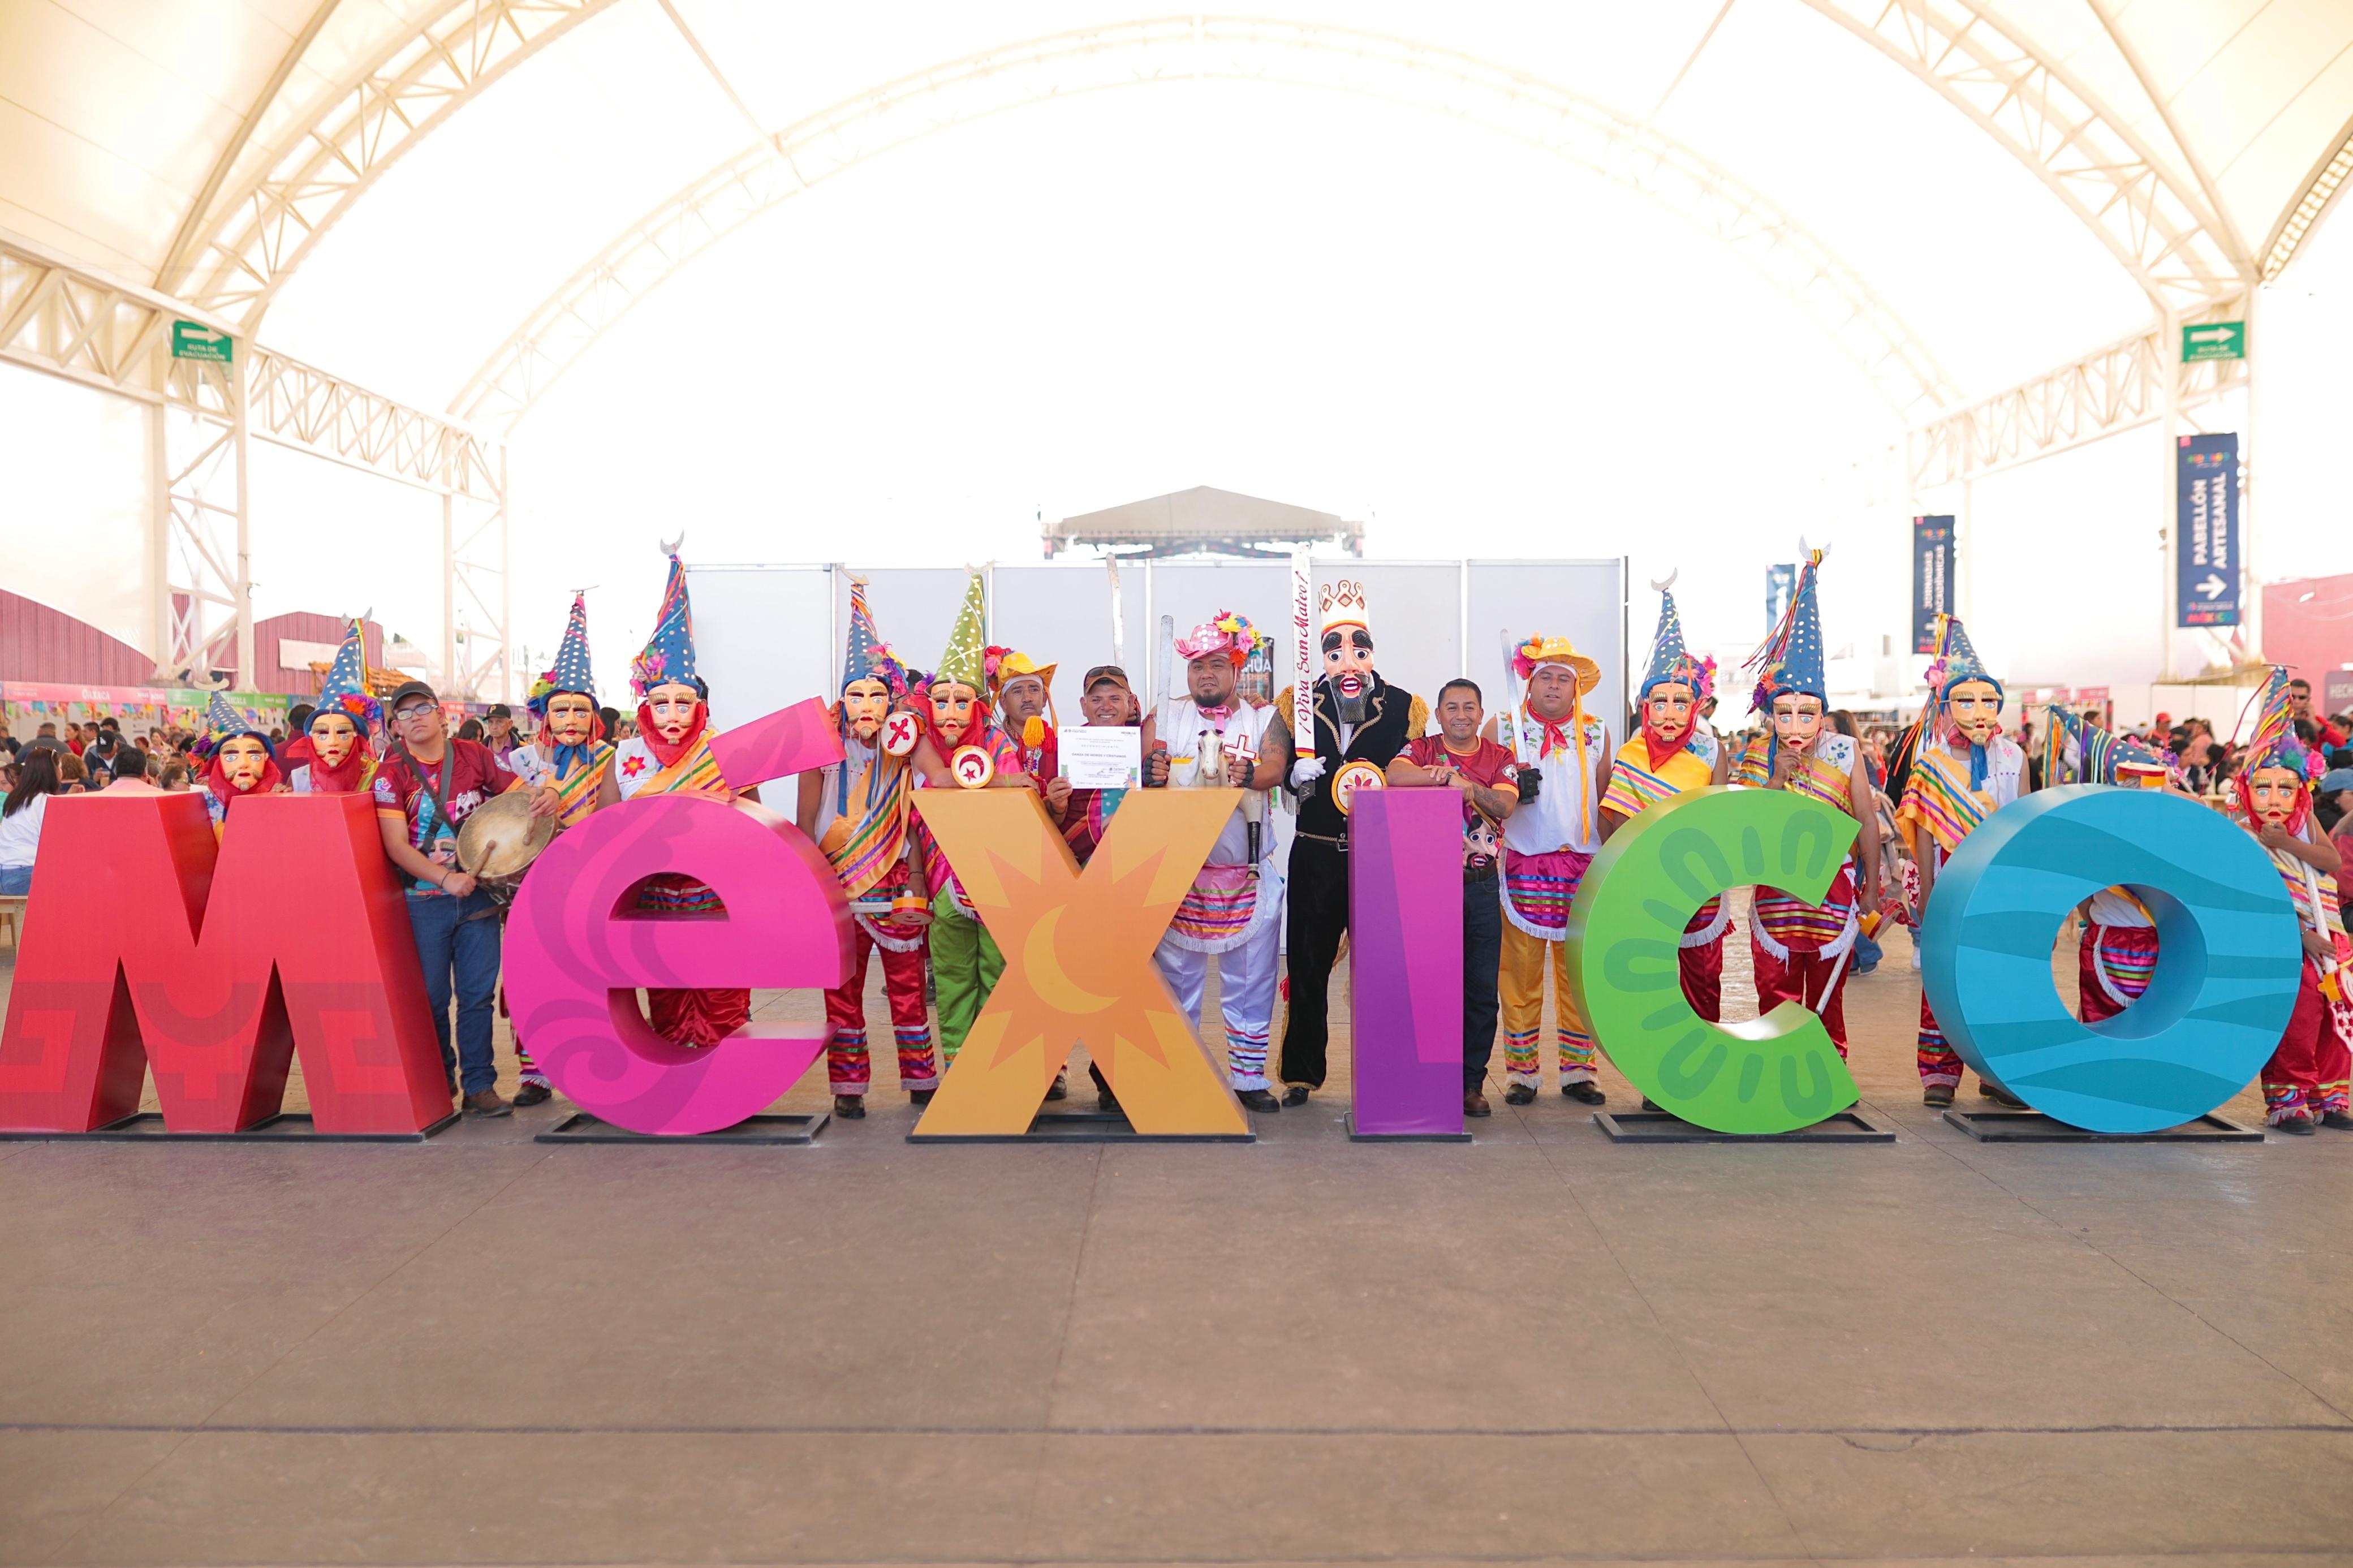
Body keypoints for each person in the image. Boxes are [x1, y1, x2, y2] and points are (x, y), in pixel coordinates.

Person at [593, 548, 755, 1050]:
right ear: (645, 705)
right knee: (665, 999)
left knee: (723, 998)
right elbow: (605, 830)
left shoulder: (727, 751)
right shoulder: (625, 756)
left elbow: (754, 824)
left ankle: (726, 1083)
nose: (672, 714)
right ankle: (675, 1080)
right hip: (652, 898)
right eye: (660, 703)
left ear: (700, 706)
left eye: (683, 703)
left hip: (717, 897)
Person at [1275, 579, 1428, 1107]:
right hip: (1315, 851)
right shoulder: (1297, 704)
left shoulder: (1405, 707)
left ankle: (1390, 1073)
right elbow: (1277, 770)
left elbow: (1413, 776)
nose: (1348, 662)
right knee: (1307, 966)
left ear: (1372, 652)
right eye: (1335, 650)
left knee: (1386, 969)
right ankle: (1301, 1075)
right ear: (1322, 656)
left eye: (1359, 650)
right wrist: (1293, 778)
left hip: (1380, 857)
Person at [375, 679, 553, 1116]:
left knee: (476, 997)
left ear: (441, 714)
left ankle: (479, 1086)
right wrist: (444, 879)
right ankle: (440, 1079)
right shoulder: (390, 774)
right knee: (433, 999)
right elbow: (395, 846)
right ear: (396, 727)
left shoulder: (474, 755)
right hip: (423, 902)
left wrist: (546, 794)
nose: (415, 718)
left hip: (478, 899)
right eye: (404, 713)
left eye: (423, 708)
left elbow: (518, 793)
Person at [796, 580, 938, 1119]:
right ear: (842, 698)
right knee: (842, 991)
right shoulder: (821, 748)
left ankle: (920, 1079)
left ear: (891, 699)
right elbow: (806, 821)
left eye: (877, 695)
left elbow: (918, 814)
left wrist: (918, 874)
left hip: (895, 880)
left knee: (908, 989)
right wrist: (808, 881)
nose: (867, 705)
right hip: (837, 881)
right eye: (857, 695)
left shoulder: (904, 746)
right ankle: (848, 1087)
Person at [1733, 553, 1882, 1063]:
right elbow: (1745, 827)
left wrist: (1871, 887)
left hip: (1833, 891)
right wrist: (1776, 778)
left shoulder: (1845, 751)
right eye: (1785, 712)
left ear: (1822, 710)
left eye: (1807, 712)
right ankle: (1778, 1073)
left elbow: (1864, 821)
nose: (1796, 722)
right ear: (1770, 713)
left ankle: (1827, 1076)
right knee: (1774, 992)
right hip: (1776, 889)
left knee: (1827, 994)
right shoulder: (1756, 755)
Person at [1142, 611, 1291, 1112]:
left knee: (1251, 982)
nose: (1206, 675)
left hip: (1246, 874)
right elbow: (1137, 773)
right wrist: (1150, 769)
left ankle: (1248, 1078)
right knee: (1176, 983)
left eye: (1217, 665)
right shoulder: (1165, 716)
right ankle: (1180, 1074)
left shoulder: (1264, 718)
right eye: (1197, 666)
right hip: (1179, 875)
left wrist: (1250, 773)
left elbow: (1275, 768)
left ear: (1236, 668)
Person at [1894, 613, 2027, 1108]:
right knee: (1944, 977)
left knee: (1997, 977)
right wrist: (1929, 894)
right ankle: (1940, 1074)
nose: (1978, 710)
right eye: (1965, 701)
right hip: (1951, 881)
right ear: (1946, 705)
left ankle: (1995, 1073)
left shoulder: (2014, 757)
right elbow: (1925, 835)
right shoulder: (1931, 762)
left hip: (1999, 882)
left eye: (1988, 700)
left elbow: (2023, 823)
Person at [907, 571, 1032, 1072]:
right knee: (953, 977)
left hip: (992, 876)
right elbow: (941, 784)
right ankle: (962, 1070)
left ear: (978, 706)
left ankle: (997, 1068)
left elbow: (1017, 802)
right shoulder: (920, 746)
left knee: (999, 974)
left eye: (962, 702)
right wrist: (1002, 782)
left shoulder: (997, 742)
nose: (951, 713)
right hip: (942, 879)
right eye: (941, 702)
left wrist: (1006, 783)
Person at [1483, 635, 1613, 1104]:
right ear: (1530, 683)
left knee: (1578, 975)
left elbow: (1606, 798)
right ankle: (1522, 1074)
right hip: (1525, 860)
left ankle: (1579, 1072)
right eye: (1546, 678)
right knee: (1519, 976)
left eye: (1563, 679)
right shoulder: (1504, 727)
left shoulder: (1597, 731)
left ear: (1576, 687)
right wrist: (1509, 786)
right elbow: (1483, 792)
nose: (1554, 686)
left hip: (1583, 864)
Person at [2227, 670, 2353, 1133]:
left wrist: (2288, 843)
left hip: (2331, 935)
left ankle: (2330, 1097)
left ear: (2302, 790)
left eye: (2286, 788)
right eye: (2264, 788)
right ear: (2246, 789)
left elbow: (2330, 862)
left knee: (2336, 1020)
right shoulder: (2240, 835)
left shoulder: (2304, 825)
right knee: (2296, 1023)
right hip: (2289, 942)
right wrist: (2301, 935)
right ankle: (2289, 1100)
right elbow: (2250, 901)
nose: (2275, 798)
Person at [1391, 677, 1523, 1117]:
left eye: (1469, 707)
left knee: (1481, 991)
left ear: (1481, 714)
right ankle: (1430, 1078)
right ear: (1439, 714)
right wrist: (1442, 777)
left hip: (1481, 887)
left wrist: (1467, 786)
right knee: (1430, 985)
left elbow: (1505, 805)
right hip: (1429, 888)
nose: (1461, 715)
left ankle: (1471, 1083)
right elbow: (1395, 774)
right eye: (1452, 708)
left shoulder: (1500, 757)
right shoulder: (1423, 749)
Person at [1600, 576, 1729, 1018]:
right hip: (1645, 879)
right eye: (1661, 702)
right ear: (1646, 705)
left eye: (1681, 702)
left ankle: (1705, 1055)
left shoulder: (1711, 751)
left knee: (1703, 979)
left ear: (1696, 705)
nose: (1671, 713)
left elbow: (1719, 817)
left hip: (1699, 878)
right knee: (1649, 977)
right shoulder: (1631, 753)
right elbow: (1619, 825)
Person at [502, 593, 613, 1106]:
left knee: (594, 978)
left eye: (580, 709)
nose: (570, 718)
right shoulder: (526, 761)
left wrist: (565, 821)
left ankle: (601, 1067)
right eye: (560, 709)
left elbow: (614, 825)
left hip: (590, 886)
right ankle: (535, 1072)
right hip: (534, 888)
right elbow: (505, 824)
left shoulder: (612, 760)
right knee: (531, 977)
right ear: (544, 714)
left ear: (595, 716)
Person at [289, 621, 381, 796]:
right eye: (322, 734)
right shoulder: (299, 780)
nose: (332, 742)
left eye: (343, 733)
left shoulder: (376, 777)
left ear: (357, 738)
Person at [194, 691, 287, 830]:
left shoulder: (277, 796)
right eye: (231, 757)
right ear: (218, 763)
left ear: (266, 759)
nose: (243, 764)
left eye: (254, 757)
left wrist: (282, 802)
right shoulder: (206, 803)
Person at [0, 747, 65, 894]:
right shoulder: (46, 801)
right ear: (54, 771)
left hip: (3, 873)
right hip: (24, 876)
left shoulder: (14, 798)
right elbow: (56, 844)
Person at [2287, 678, 2347, 748]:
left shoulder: (2318, 721)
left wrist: (2314, 723)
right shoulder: (2278, 720)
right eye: (2293, 697)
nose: (2296, 701)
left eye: (2302, 698)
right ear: (2287, 698)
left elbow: (2341, 743)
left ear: (2308, 700)